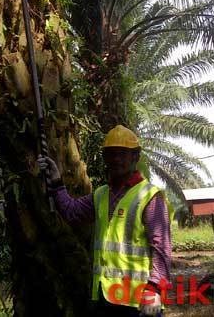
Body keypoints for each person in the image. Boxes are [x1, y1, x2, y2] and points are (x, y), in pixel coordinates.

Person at [38, 125, 171, 316]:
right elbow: (72, 212)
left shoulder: (149, 196)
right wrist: (57, 181)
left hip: (139, 301)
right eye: (111, 154)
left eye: (123, 154)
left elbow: (162, 247)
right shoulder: (101, 195)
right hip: (105, 298)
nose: (116, 159)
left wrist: (155, 289)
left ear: (135, 157)